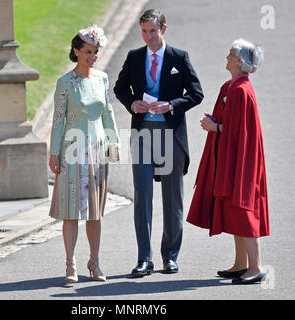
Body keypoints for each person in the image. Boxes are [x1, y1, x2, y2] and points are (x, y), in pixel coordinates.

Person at [113, 9, 203, 277]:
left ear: (164, 29)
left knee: (172, 197)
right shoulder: (134, 57)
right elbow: (120, 88)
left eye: (153, 31)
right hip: (142, 135)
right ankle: (144, 259)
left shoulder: (179, 57)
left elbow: (196, 93)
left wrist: (171, 105)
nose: (148, 37)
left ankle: (170, 257)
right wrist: (132, 103)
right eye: (144, 32)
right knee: (142, 196)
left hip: (171, 136)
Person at [187, 39, 269, 285]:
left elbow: (240, 132)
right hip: (231, 156)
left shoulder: (241, 90)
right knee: (234, 208)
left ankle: (256, 267)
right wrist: (216, 123)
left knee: (245, 210)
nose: (227, 56)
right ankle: (241, 264)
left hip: (242, 160)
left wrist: (215, 127)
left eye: (231, 53)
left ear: (240, 61)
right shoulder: (232, 86)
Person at [48, 25, 120, 283]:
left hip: (98, 150)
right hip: (72, 151)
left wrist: (114, 143)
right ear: (76, 51)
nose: (92, 56)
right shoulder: (65, 83)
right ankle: (70, 263)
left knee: (95, 212)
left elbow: (107, 112)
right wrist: (54, 153)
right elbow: (58, 120)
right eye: (88, 51)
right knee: (71, 210)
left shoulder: (102, 79)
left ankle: (95, 261)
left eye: (96, 52)